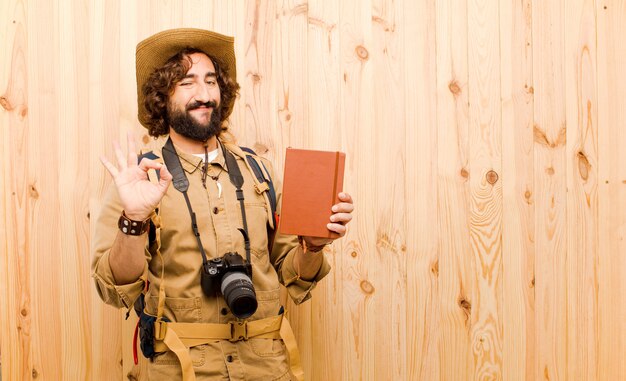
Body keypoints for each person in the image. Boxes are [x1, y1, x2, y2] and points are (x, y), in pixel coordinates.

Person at [91, 28, 354, 381]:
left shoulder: (259, 171)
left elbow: (294, 276)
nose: (203, 94)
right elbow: (114, 287)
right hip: (183, 369)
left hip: (267, 367)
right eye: (186, 83)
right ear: (161, 96)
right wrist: (134, 219)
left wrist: (314, 245)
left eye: (211, 81)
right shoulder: (141, 178)